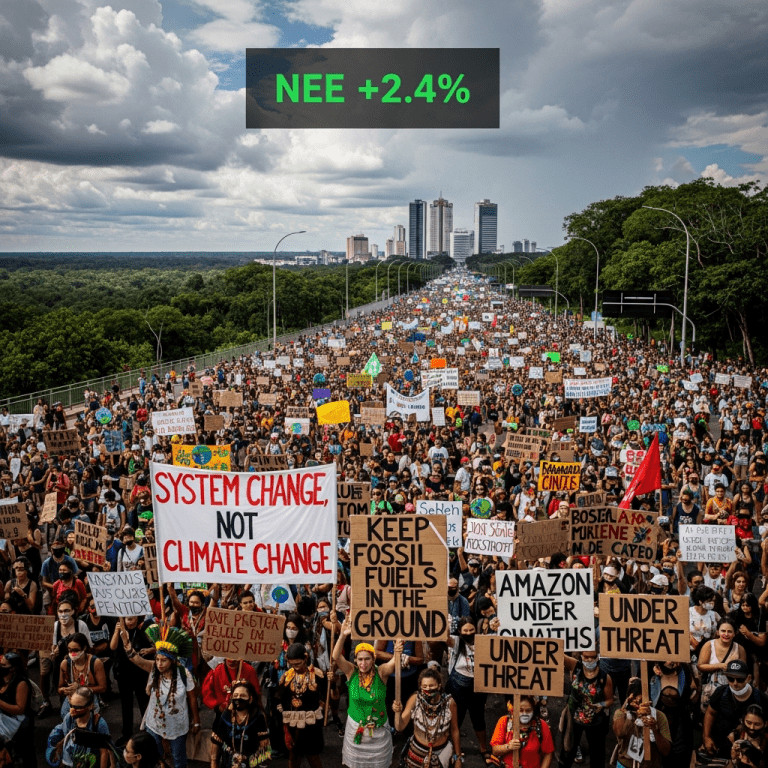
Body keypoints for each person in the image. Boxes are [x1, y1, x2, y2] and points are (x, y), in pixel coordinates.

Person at [121, 624, 199, 768]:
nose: (159, 664)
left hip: (177, 724)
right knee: (154, 754)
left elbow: (192, 697)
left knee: (178, 758)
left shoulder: (183, 673)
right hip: (154, 722)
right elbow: (136, 659)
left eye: (163, 660)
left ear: (172, 661)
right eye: (157, 659)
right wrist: (127, 644)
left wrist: (196, 721)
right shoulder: (154, 669)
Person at [332, 616, 398, 768]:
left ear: (373, 659)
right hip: (356, 732)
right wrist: (342, 634)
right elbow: (336, 656)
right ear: (355, 660)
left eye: (367, 659)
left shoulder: (381, 673)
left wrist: (398, 646)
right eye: (359, 659)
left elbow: (395, 661)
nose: (363, 663)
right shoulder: (351, 672)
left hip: (379, 734)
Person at [557, 646, 614, 768]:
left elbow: (610, 700)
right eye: (586, 657)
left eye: (592, 657)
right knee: (567, 753)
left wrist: (602, 705)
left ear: (597, 657)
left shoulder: (604, 677)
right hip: (573, 719)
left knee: (597, 758)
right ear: (581, 656)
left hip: (595, 722)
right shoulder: (575, 666)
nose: (589, 660)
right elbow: (558, 655)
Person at [393, 667, 462, 768]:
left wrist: (458, 757)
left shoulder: (449, 703)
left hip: (441, 754)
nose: (428, 689)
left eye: (431, 685)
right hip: (417, 754)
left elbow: (455, 730)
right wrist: (397, 713)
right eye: (424, 686)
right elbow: (399, 727)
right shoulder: (415, 699)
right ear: (420, 687)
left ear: (439, 686)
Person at [445, 618, 491, 764]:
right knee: (455, 720)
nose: (469, 633)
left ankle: (483, 748)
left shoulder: (482, 641)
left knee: (478, 719)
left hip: (477, 688)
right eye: (465, 630)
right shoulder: (456, 642)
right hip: (457, 687)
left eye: (471, 630)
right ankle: (454, 750)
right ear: (460, 631)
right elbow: (444, 638)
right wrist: (445, 623)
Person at [703, 660, 768, 758]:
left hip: (749, 750)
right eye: (731, 679)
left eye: (740, 679)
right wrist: (707, 737)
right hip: (722, 746)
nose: (735, 683)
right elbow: (710, 713)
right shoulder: (721, 692)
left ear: (748, 678)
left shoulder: (760, 697)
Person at [277, 642, 326, 768]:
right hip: (293, 724)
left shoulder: (317, 675)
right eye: (292, 665)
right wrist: (286, 730)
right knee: (293, 757)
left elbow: (325, 698)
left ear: (306, 657)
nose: (296, 667)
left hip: (311, 725)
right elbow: (282, 702)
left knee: (313, 757)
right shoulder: (286, 677)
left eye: (298, 664)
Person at [109, 616, 152, 747]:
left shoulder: (142, 632)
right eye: (127, 619)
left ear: (137, 620)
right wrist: (117, 632)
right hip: (123, 674)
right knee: (126, 705)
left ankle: (148, 731)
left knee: (143, 702)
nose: (130, 622)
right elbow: (112, 646)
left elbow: (153, 646)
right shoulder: (120, 632)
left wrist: (151, 650)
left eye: (132, 619)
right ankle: (126, 734)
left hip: (139, 674)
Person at [45, 687, 111, 768]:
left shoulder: (99, 723)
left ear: (90, 706)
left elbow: (104, 753)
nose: (72, 710)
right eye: (71, 705)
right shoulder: (69, 718)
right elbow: (66, 743)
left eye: (78, 707)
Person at [210, 680, 271, 768]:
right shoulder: (225, 717)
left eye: (243, 696)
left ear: (250, 698)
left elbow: (266, 753)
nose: (238, 698)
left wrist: (247, 762)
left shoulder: (258, 717)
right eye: (236, 695)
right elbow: (215, 751)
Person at [612, 678, 671, 768]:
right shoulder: (621, 713)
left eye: (642, 702)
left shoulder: (659, 716)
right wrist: (629, 712)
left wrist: (655, 730)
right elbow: (620, 733)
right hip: (625, 764)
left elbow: (666, 751)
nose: (638, 706)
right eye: (635, 702)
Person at [698, 618, 748, 712]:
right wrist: (719, 666)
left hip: (732, 689)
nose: (726, 634)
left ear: (735, 633)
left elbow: (743, 671)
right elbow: (700, 666)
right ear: (718, 632)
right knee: (709, 714)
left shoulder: (739, 648)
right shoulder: (709, 645)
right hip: (711, 689)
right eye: (723, 631)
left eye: (729, 631)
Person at [490, 695, 554, 768]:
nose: (524, 714)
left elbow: (548, 753)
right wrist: (508, 747)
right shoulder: (504, 721)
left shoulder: (541, 725)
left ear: (533, 709)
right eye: (520, 710)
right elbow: (495, 750)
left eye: (528, 710)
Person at [57, 632, 107, 717]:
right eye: (70, 650)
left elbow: (103, 688)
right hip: (71, 699)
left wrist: (81, 688)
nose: (72, 653)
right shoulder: (65, 664)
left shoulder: (95, 663)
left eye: (76, 650)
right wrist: (63, 690)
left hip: (89, 698)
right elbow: (60, 688)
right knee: (66, 717)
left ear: (84, 648)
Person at [0, 652, 35, 768]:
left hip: (19, 723)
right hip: (4, 721)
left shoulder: (21, 683)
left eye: (4, 666)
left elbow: (20, 709)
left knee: (25, 755)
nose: (1, 668)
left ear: (13, 668)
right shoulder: (2, 679)